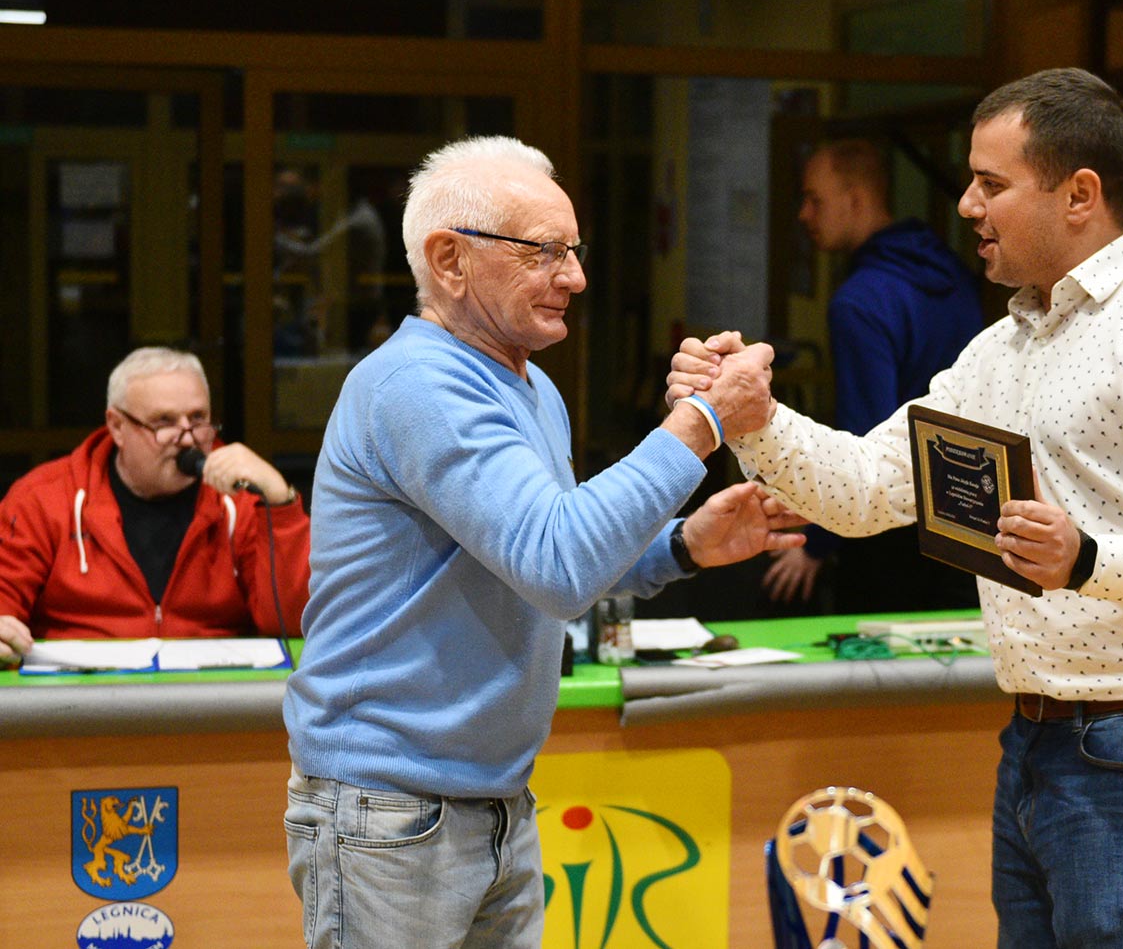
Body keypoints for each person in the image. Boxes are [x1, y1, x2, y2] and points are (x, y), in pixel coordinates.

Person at [670, 69, 1123, 947]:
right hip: (1039, 740)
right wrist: (753, 418)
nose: (967, 205)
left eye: (991, 183)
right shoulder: (997, 352)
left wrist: (1090, 560)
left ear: (1081, 195)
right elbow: (865, 490)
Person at [281, 135, 803, 949]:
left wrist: (682, 546)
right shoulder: (419, 383)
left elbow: (543, 552)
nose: (576, 276)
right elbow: (558, 565)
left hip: (493, 803)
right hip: (389, 810)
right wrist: (701, 423)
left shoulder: (528, 383)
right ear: (449, 260)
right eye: (544, 251)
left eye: (575, 249)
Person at [764, 138, 985, 611]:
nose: (804, 214)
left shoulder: (860, 301)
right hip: (969, 514)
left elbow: (865, 437)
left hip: (888, 533)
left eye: (814, 199)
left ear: (855, 200)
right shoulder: (955, 274)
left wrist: (819, 545)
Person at [0, 347, 309, 666]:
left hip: (214, 698)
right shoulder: (42, 499)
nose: (188, 439)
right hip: (78, 700)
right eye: (165, 422)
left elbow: (294, 626)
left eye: (198, 419)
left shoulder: (242, 497)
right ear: (117, 426)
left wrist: (279, 503)